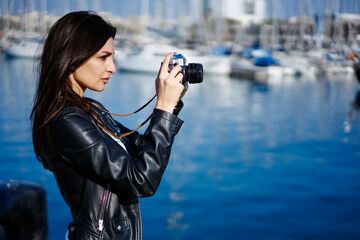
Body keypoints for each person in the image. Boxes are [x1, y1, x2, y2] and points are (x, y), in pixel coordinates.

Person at [30, 11, 186, 240]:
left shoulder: (88, 109)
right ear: (72, 55)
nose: (112, 67)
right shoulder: (66, 122)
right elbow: (141, 180)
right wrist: (163, 107)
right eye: (103, 57)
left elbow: (139, 149)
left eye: (112, 57)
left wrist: (170, 106)